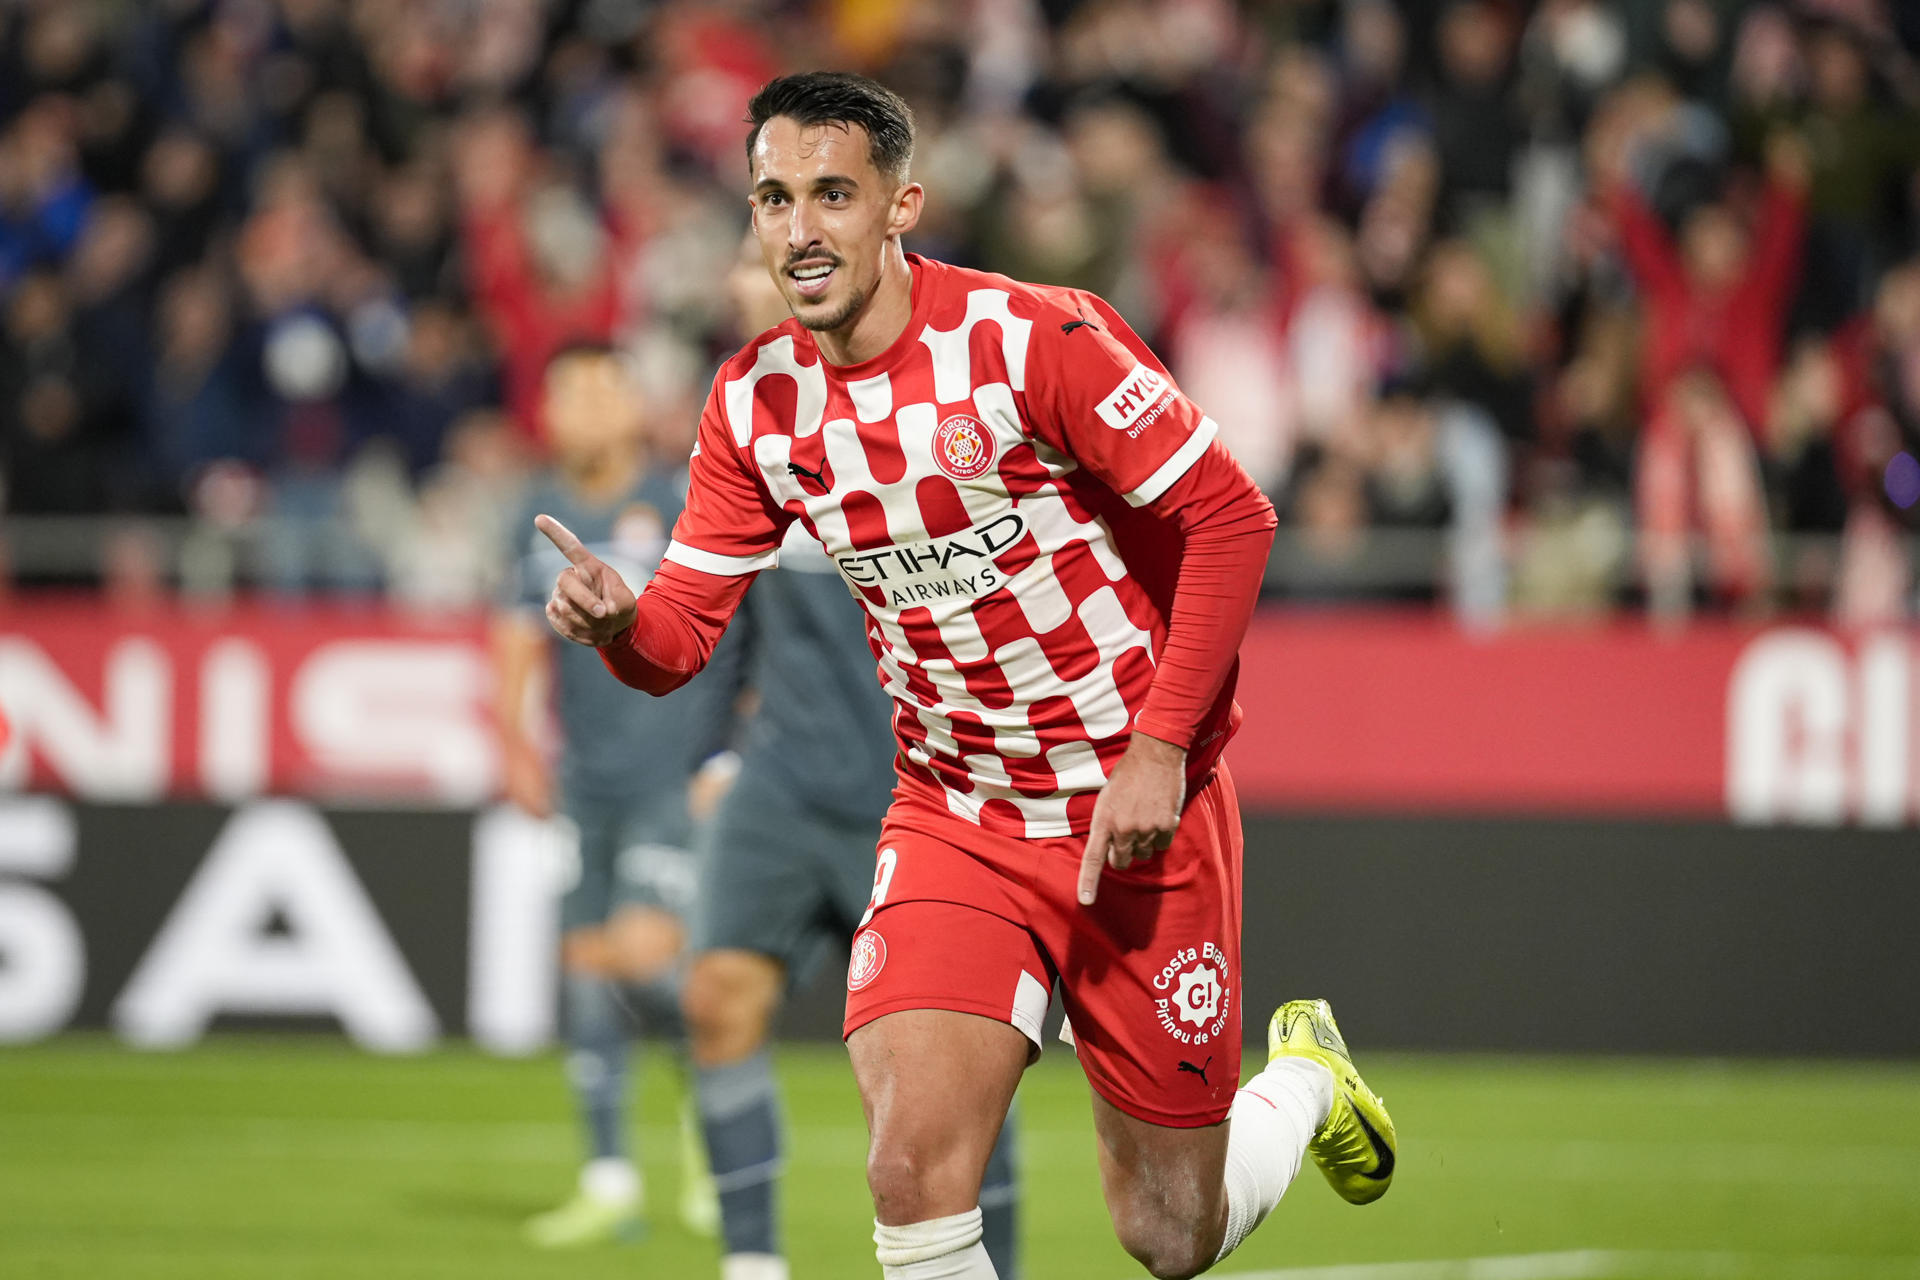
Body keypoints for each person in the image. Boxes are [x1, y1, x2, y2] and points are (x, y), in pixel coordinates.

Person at [537, 72, 1397, 1280]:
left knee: (1168, 1232)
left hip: (1132, 808)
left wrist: (1160, 747)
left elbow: (1232, 518)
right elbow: (679, 641)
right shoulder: (754, 403)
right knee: (909, 1168)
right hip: (961, 814)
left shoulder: (1030, 336)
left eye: (833, 194)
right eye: (773, 198)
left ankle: (1303, 1079)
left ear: (902, 205)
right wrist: (618, 620)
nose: (800, 229)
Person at [678, 237, 1021, 1280]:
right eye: (746, 254)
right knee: (716, 997)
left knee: (949, 1073)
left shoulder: (922, 407)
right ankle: (752, 1264)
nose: (756, 272)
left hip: (920, 781)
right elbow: (718, 612)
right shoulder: (743, 431)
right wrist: (711, 751)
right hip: (781, 773)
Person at [495, 340, 731, 1247]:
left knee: (645, 958)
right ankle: (608, 1178)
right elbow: (514, 631)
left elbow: (741, 629)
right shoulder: (535, 513)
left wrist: (725, 758)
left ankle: (716, 1111)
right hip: (584, 781)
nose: (587, 409)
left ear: (635, 403)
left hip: (671, 776)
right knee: (588, 971)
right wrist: (512, 739)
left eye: (603, 389)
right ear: (547, 414)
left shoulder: (684, 501)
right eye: (570, 394)